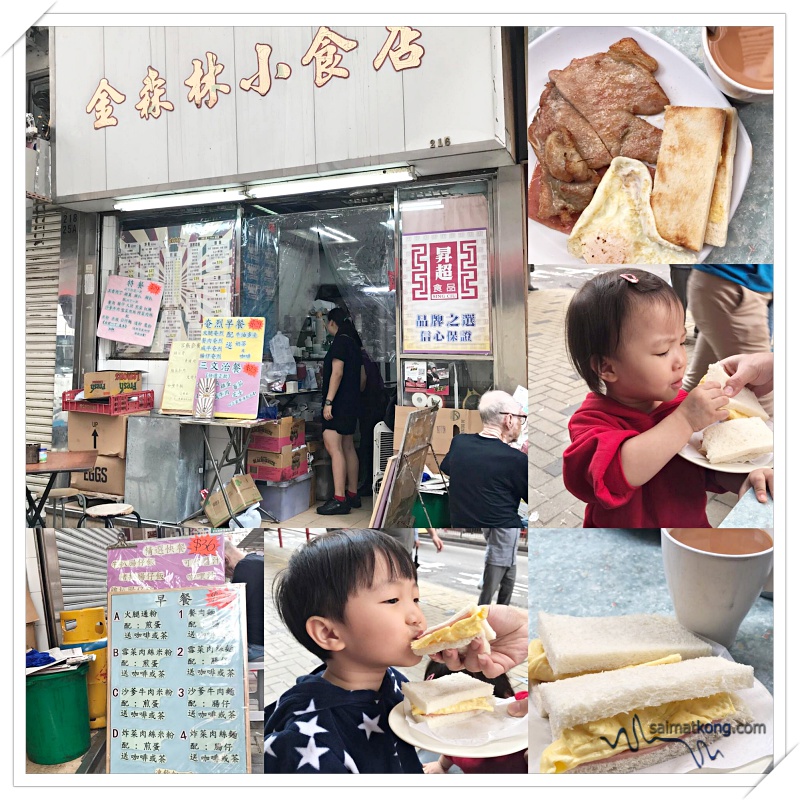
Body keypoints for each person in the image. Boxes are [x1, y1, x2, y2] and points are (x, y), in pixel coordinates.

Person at [562, 268, 773, 528]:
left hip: (688, 537)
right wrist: (684, 421)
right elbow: (613, 474)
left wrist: (746, 477)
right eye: (663, 351)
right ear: (607, 368)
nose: (680, 360)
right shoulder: (591, 422)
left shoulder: (680, 405)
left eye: (682, 343)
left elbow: (707, 467)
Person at [263, 530, 426, 773]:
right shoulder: (308, 744)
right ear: (329, 633)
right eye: (392, 600)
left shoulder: (392, 680)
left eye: (415, 598)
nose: (417, 617)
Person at [682, 265, 774, 417]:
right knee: (761, 404)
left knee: (700, 382)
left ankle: (662, 427)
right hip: (735, 286)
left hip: (722, 283)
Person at [421, 660, 528, 774]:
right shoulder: (453, 736)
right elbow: (451, 753)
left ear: (505, 695)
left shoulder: (522, 717)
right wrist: (441, 765)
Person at [440, 390, 528, 528]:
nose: (521, 423)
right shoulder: (517, 459)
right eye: (520, 417)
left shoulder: (459, 443)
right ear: (508, 420)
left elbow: (447, 468)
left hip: (461, 524)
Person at [317, 307, 366, 516]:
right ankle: (352, 494)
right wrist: (352, 396)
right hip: (352, 402)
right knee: (347, 446)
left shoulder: (339, 342)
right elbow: (363, 379)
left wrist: (329, 402)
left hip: (338, 403)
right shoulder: (354, 343)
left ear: (332, 323)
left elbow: (336, 373)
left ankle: (339, 499)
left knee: (333, 446)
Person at [224, 539, 264, 662]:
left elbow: (231, 613)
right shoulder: (258, 560)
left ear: (225, 560)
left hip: (255, 647)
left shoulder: (243, 568)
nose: (226, 576)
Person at [478, 528, 520, 606]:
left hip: (511, 560)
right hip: (496, 558)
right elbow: (486, 528)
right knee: (487, 594)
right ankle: (479, 617)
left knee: (507, 593)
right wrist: (493, 541)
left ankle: (501, 616)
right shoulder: (497, 515)